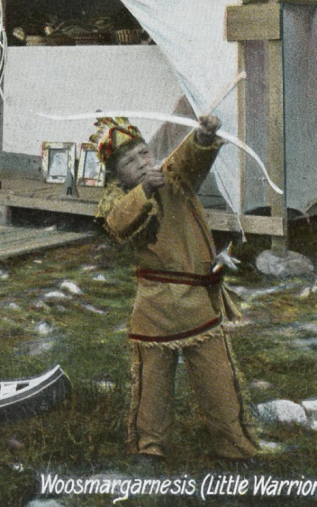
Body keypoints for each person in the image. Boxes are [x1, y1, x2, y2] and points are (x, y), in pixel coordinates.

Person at [91, 115, 258, 464]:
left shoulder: (174, 178)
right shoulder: (116, 200)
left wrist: (203, 137)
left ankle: (233, 447)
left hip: (198, 302)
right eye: (129, 161)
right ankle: (149, 449)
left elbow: (189, 159)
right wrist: (145, 191)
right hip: (155, 306)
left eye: (143, 153)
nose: (142, 163)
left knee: (218, 381)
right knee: (152, 386)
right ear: (116, 175)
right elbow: (118, 223)